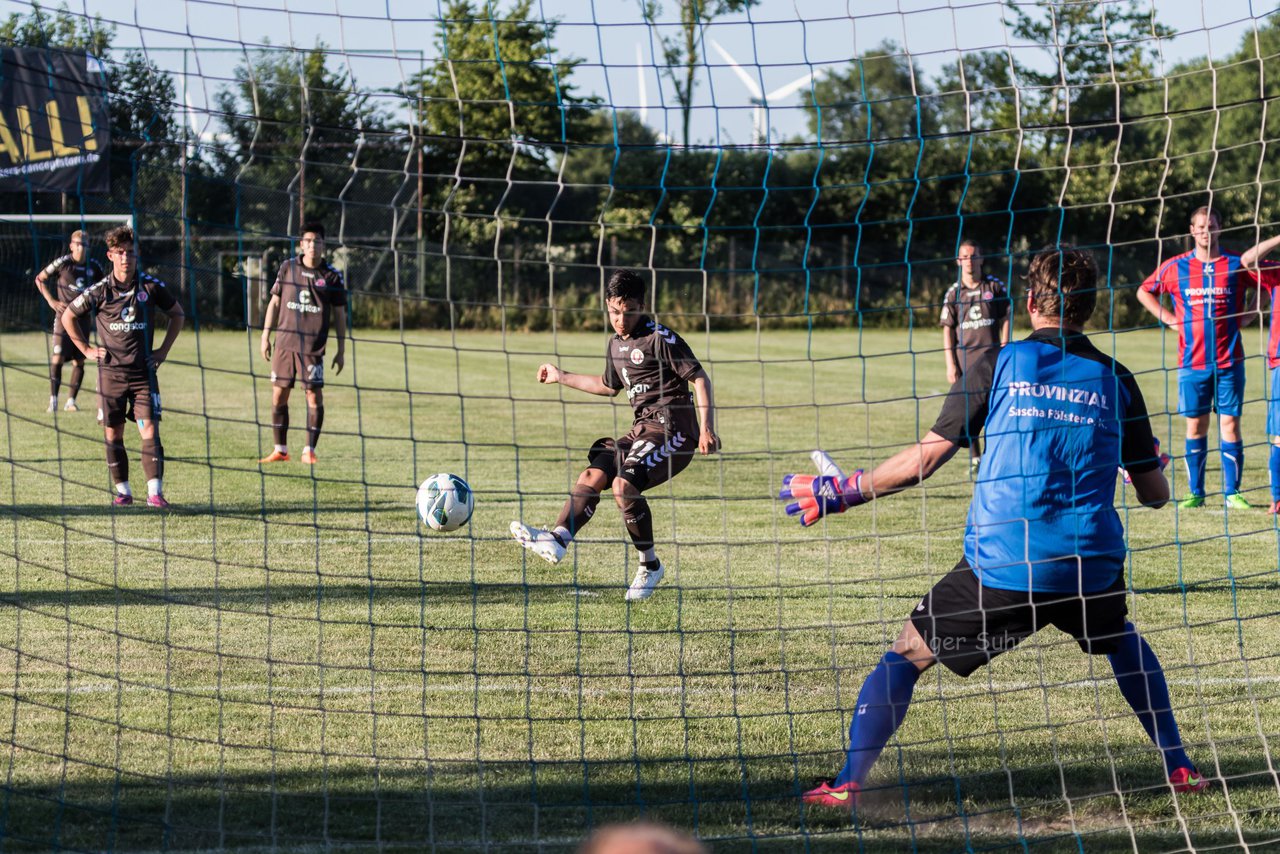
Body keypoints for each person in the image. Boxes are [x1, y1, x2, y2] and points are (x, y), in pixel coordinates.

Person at [782, 247, 1208, 808]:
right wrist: (1140, 461)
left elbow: (923, 462)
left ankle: (849, 783)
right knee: (1122, 642)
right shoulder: (1117, 379)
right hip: (1087, 566)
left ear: (1030, 302)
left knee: (907, 654)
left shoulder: (998, 364)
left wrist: (843, 493)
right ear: (1090, 307)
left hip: (1004, 566)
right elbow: (1156, 496)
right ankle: (1179, 766)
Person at [509, 269, 719, 601]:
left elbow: (700, 378)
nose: (621, 319)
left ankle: (649, 566)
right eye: (614, 311)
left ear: (643, 305)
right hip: (642, 431)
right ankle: (558, 538)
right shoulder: (615, 344)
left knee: (624, 485)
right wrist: (560, 376)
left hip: (675, 431)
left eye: (629, 310)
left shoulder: (660, 339)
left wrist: (706, 427)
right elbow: (608, 386)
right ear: (607, 305)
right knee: (594, 472)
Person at [1137, 206, 1280, 508]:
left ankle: (1232, 493)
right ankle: (1196, 493)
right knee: (1195, 427)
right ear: (1192, 231)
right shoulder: (1175, 267)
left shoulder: (1234, 264)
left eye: (1211, 226)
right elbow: (1144, 291)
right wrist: (1169, 318)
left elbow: (1266, 285)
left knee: (1230, 425)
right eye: (1201, 227)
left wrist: (1249, 314)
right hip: (1191, 363)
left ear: (1219, 228)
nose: (1206, 231)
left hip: (1230, 361)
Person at [63, 226, 184, 507]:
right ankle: (124, 492)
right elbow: (69, 316)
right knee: (113, 433)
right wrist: (86, 350)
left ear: (136, 254)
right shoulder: (100, 290)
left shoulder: (150, 287)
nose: (126, 258)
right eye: (120, 253)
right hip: (111, 376)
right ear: (110, 256)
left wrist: (163, 351)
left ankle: (155, 493)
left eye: (130, 252)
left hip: (144, 375)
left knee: (150, 430)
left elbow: (177, 314)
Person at [258, 222, 347, 465]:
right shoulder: (288, 268)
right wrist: (266, 336)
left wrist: (341, 350)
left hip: (312, 348)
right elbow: (274, 303)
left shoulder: (331, 276)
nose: (312, 245)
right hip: (285, 344)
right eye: (308, 241)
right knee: (278, 397)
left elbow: (340, 315)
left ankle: (309, 450)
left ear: (323, 245)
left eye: (317, 241)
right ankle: (280, 449)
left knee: (313, 397)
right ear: (301, 244)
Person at [939, 239, 1010, 474]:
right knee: (969, 411)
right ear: (958, 261)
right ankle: (975, 458)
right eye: (965, 256)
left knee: (997, 409)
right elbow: (947, 328)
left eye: (973, 255)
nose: (969, 260)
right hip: (965, 361)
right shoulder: (953, 293)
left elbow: (1007, 314)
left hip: (993, 360)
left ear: (981, 259)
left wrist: (1005, 343)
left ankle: (995, 456)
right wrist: (950, 363)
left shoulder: (994, 287)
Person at [35, 230, 104, 413]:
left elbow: (104, 289)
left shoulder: (95, 267)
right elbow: (40, 279)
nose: (82, 247)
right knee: (57, 358)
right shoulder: (63, 263)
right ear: (72, 245)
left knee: (79, 361)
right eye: (79, 244)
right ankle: (53, 401)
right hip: (64, 319)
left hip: (83, 320)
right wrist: (51, 301)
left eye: (86, 244)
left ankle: (71, 401)